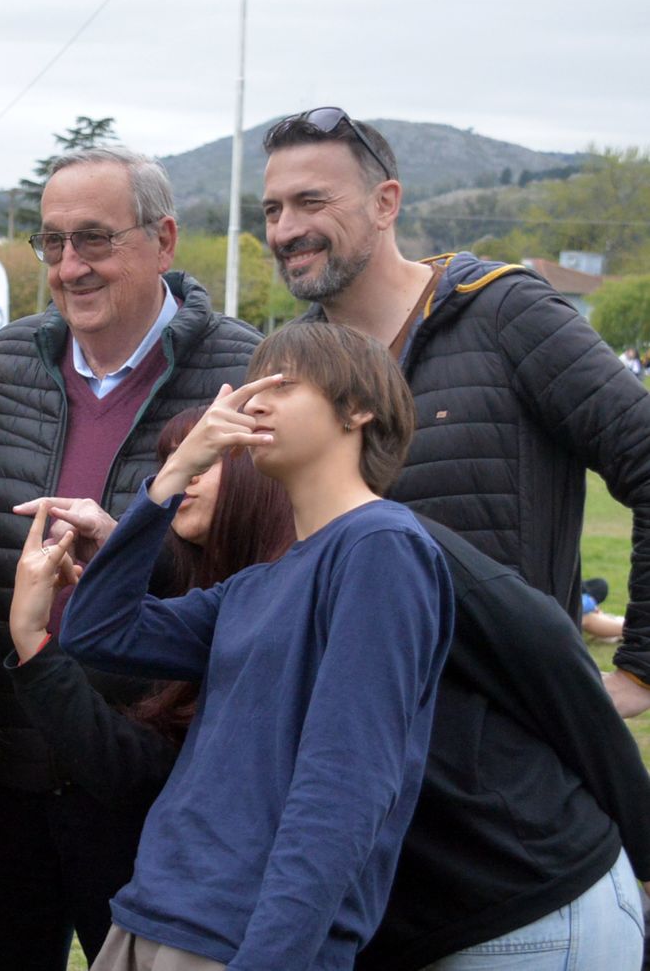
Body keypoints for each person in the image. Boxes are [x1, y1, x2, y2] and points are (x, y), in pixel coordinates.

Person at [0, 145, 263, 970]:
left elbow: (267, 569)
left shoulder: (245, 375)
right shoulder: (4, 367)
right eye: (51, 243)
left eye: (94, 239)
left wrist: (136, 556)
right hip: (6, 768)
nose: (69, 266)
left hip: (151, 782)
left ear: (163, 240)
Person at [56, 321, 452, 970]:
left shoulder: (381, 546)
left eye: (283, 385)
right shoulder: (254, 587)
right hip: (150, 913)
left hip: (240, 940)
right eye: (249, 388)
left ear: (357, 409)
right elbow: (96, 628)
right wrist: (178, 471)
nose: (252, 403)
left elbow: (345, 785)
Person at [259, 107, 650, 719]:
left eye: (311, 202)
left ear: (385, 203)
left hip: (507, 754)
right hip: (346, 741)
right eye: (273, 210)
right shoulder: (286, 371)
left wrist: (639, 672)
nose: (285, 230)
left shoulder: (507, 314)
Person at [1, 407, 297, 937]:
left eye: (203, 460)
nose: (182, 475)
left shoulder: (276, 596)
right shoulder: (211, 585)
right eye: (170, 463)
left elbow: (137, 773)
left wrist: (32, 641)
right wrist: (123, 551)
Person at [358, 517, 650, 971]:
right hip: (426, 907)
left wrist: (639, 669)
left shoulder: (382, 537)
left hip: (527, 898)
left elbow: (545, 646)